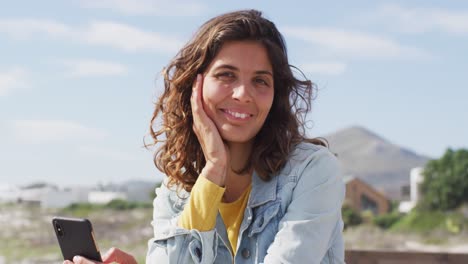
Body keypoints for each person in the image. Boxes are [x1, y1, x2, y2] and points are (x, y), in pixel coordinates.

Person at [65, 9, 345, 264]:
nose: (243, 94)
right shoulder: (175, 192)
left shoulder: (313, 172)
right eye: (226, 75)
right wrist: (213, 171)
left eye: (260, 80)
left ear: (276, 94)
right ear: (194, 85)